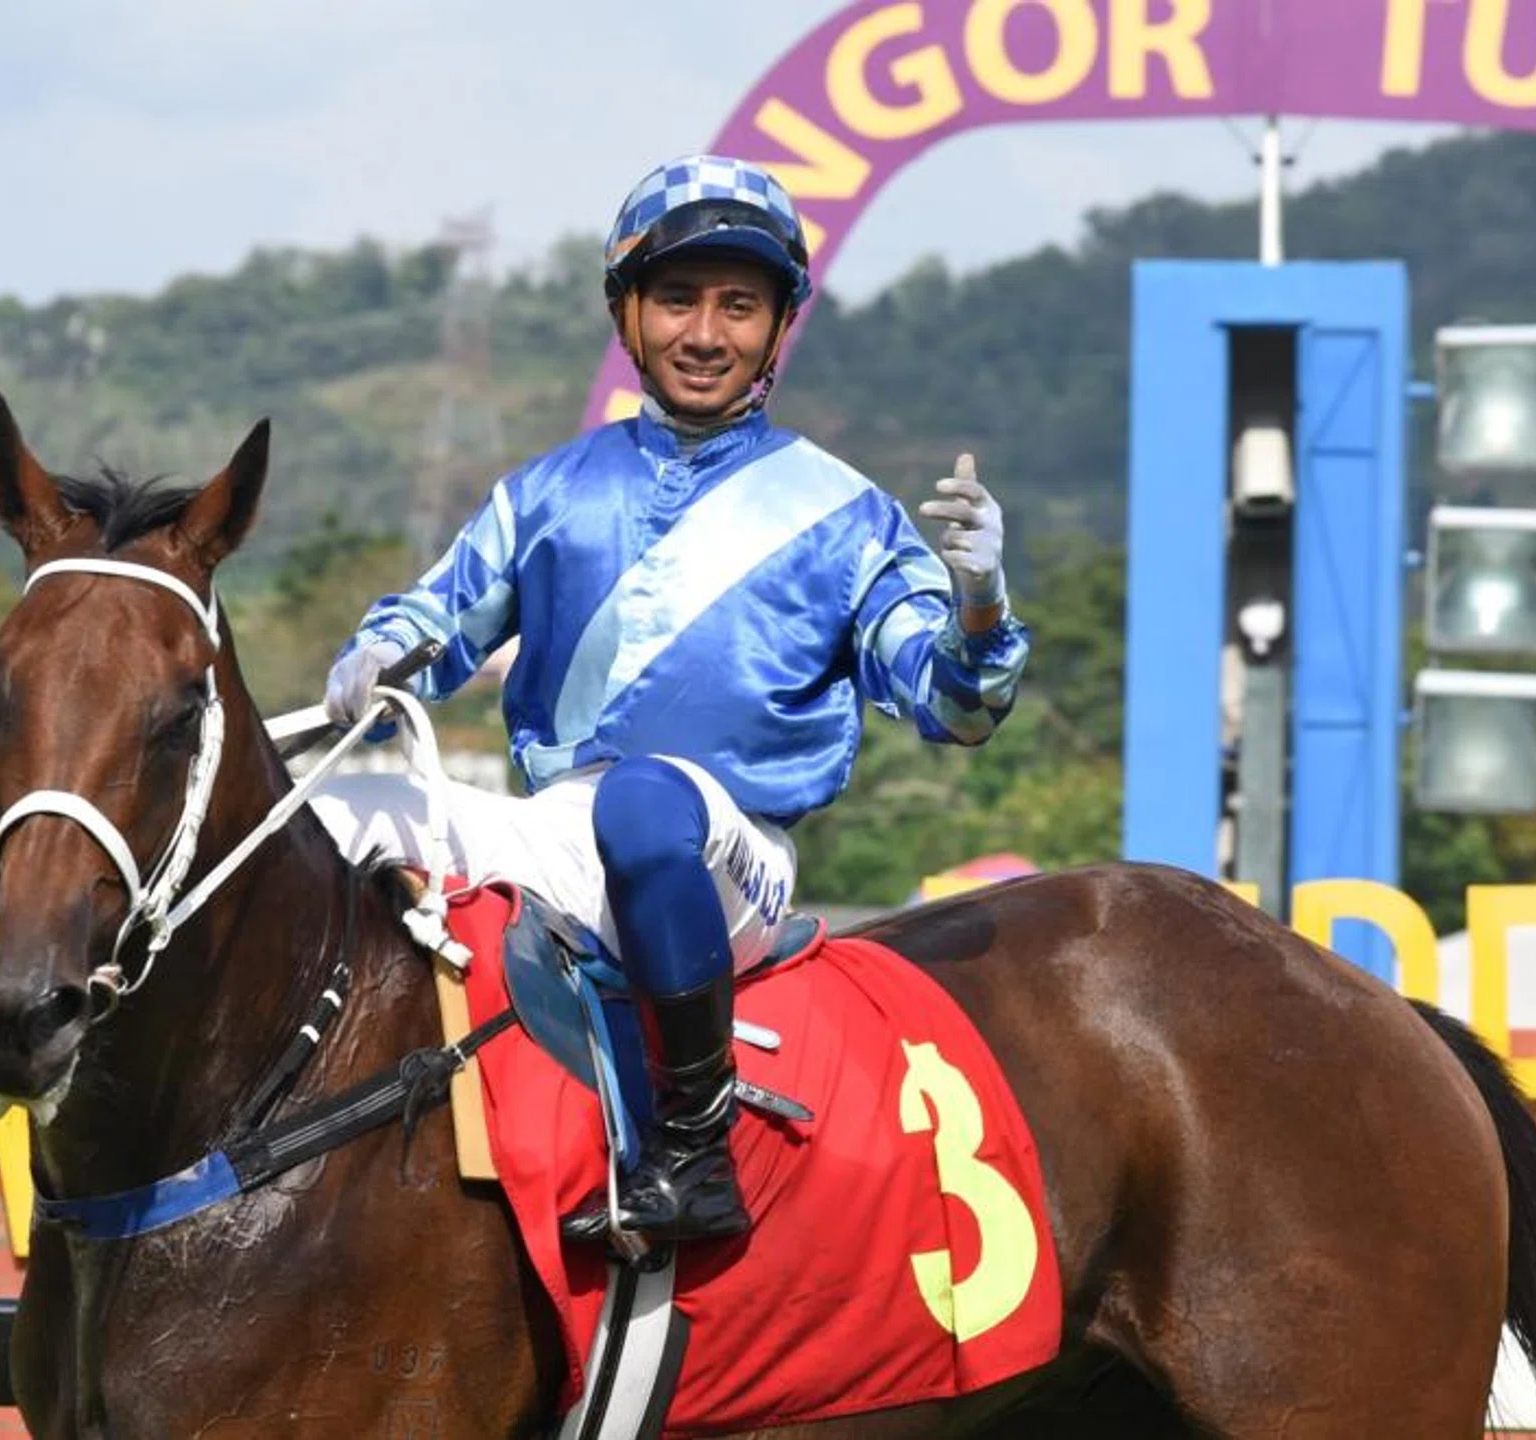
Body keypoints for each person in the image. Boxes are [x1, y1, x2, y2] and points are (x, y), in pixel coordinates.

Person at [315, 154, 1030, 1250]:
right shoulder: (546, 491)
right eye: (678, 300)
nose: (707, 333)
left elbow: (955, 706)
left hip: (726, 849)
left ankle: (695, 1152)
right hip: (557, 836)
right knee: (332, 819)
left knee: (645, 805)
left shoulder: (850, 516)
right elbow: (438, 623)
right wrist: (379, 651)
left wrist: (978, 606)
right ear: (629, 316)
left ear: (779, 326)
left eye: (739, 305)